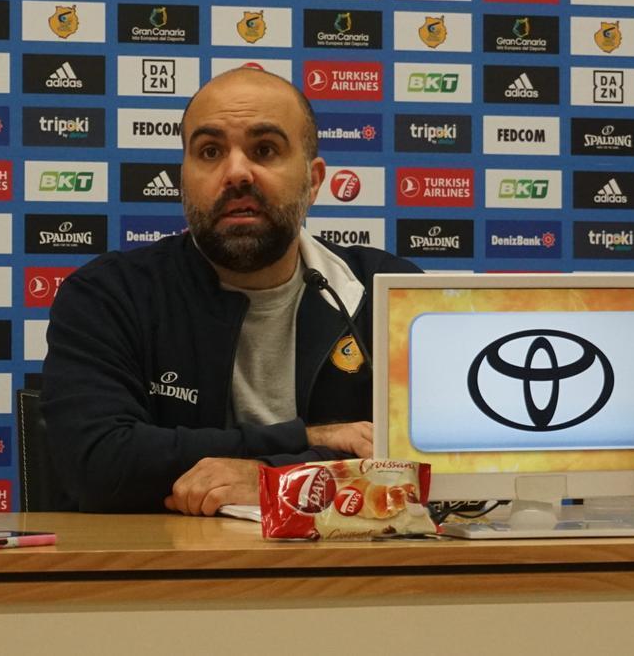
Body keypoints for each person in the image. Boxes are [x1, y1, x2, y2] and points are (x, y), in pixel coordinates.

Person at [40, 67, 420, 515]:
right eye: (210, 151)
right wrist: (305, 440)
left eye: (264, 149)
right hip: (164, 570)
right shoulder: (110, 294)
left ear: (313, 181)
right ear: (183, 180)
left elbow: (429, 468)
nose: (237, 172)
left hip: (346, 572)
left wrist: (264, 479)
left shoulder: (383, 292)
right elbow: (99, 466)